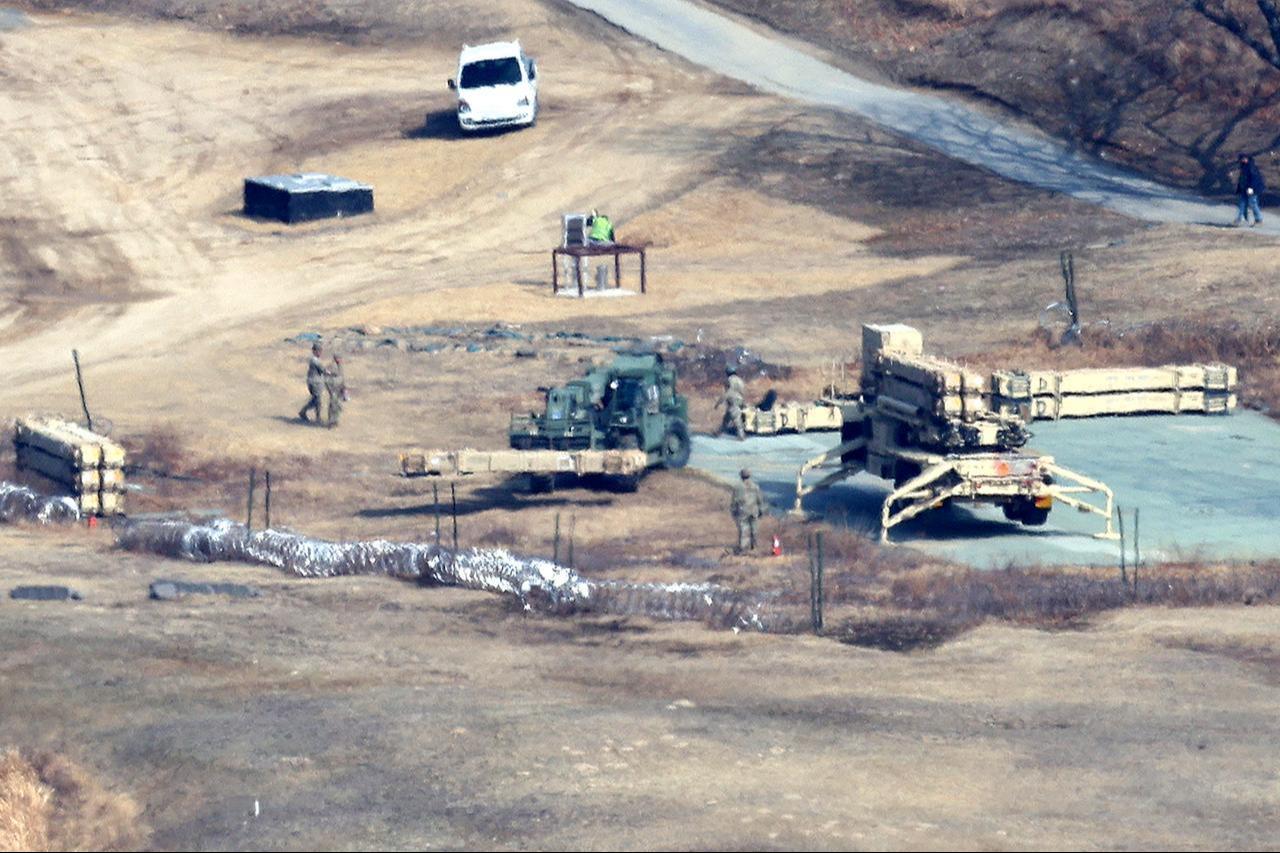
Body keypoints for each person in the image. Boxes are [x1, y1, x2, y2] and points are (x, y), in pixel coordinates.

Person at [730, 468, 765, 554]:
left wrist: (733, 511)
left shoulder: (737, 487)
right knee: (754, 529)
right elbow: (760, 500)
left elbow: (734, 501)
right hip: (754, 511)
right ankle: (754, 546)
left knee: (743, 529)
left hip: (743, 511)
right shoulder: (755, 486)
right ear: (749, 476)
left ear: (741, 476)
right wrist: (761, 511)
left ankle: (743, 548)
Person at [297, 343, 327, 423]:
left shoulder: (316, 360)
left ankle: (305, 412)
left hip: (316, 382)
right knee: (317, 401)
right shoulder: (314, 360)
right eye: (318, 351)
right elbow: (323, 370)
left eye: (320, 351)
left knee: (315, 400)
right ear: (314, 351)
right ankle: (316, 417)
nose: (320, 352)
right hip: (314, 383)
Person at [1234, 152, 1265, 227]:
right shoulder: (1243, 167)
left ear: (1248, 158)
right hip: (1244, 189)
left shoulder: (1251, 166)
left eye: (1244, 158)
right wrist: (1239, 188)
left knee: (1252, 203)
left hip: (1252, 189)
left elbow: (1254, 178)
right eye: (1242, 159)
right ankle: (1242, 218)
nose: (1243, 160)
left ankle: (1259, 219)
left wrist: (1251, 188)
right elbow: (1242, 179)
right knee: (1242, 203)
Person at [714, 373, 746, 440]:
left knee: (736, 422)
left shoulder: (729, 391)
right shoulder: (739, 392)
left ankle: (741, 436)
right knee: (729, 421)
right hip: (736, 407)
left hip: (732, 407)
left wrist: (717, 404)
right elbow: (742, 400)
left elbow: (723, 397)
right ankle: (718, 433)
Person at [325, 354, 347, 428]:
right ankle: (331, 421)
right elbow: (326, 378)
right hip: (333, 389)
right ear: (335, 358)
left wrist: (344, 388)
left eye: (340, 358)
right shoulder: (330, 367)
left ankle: (335, 420)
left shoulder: (340, 367)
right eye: (338, 358)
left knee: (338, 405)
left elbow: (342, 378)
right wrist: (329, 388)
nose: (340, 359)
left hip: (339, 388)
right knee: (333, 405)